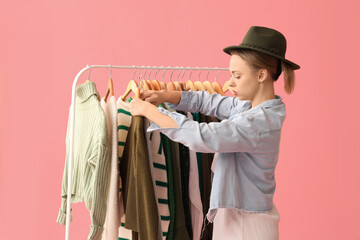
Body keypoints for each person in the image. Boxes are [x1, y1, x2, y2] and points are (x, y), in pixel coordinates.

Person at [128, 26, 300, 240]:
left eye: (237, 75)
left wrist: (149, 111)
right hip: (237, 218)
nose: (230, 83)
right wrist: (166, 95)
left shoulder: (258, 123)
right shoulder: (249, 107)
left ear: (261, 75)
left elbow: (203, 136)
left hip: (246, 226)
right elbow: (211, 102)